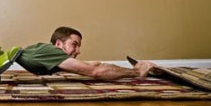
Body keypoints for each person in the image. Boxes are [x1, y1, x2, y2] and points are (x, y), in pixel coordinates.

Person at [17, 26, 156, 80]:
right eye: (74, 45)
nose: (78, 51)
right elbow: (94, 71)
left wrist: (96, 65)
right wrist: (136, 72)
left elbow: (90, 65)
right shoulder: (52, 51)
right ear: (59, 44)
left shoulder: (48, 54)